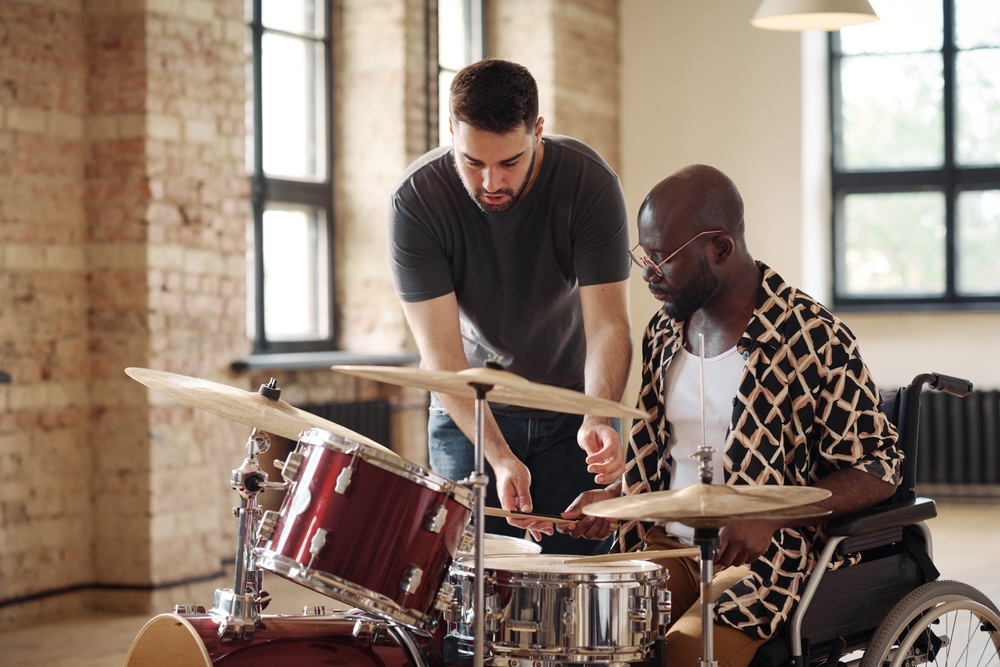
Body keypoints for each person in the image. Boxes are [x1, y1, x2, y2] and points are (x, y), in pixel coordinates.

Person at [560, 164, 903, 665]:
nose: (650, 275)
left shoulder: (811, 338)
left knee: (681, 654)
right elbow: (671, 457)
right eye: (644, 257)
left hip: (761, 562)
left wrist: (771, 511)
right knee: (586, 639)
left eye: (663, 259)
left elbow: (881, 468)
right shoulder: (664, 332)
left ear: (720, 249)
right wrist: (617, 500)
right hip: (666, 544)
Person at [386, 59, 632, 555]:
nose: (491, 182)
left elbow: (608, 325)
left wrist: (597, 416)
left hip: (573, 412)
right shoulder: (416, 201)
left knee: (574, 592)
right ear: (451, 130)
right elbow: (442, 358)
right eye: (473, 162)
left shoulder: (590, 185)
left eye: (510, 162)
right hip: (469, 410)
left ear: (538, 131)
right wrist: (497, 457)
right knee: (467, 594)